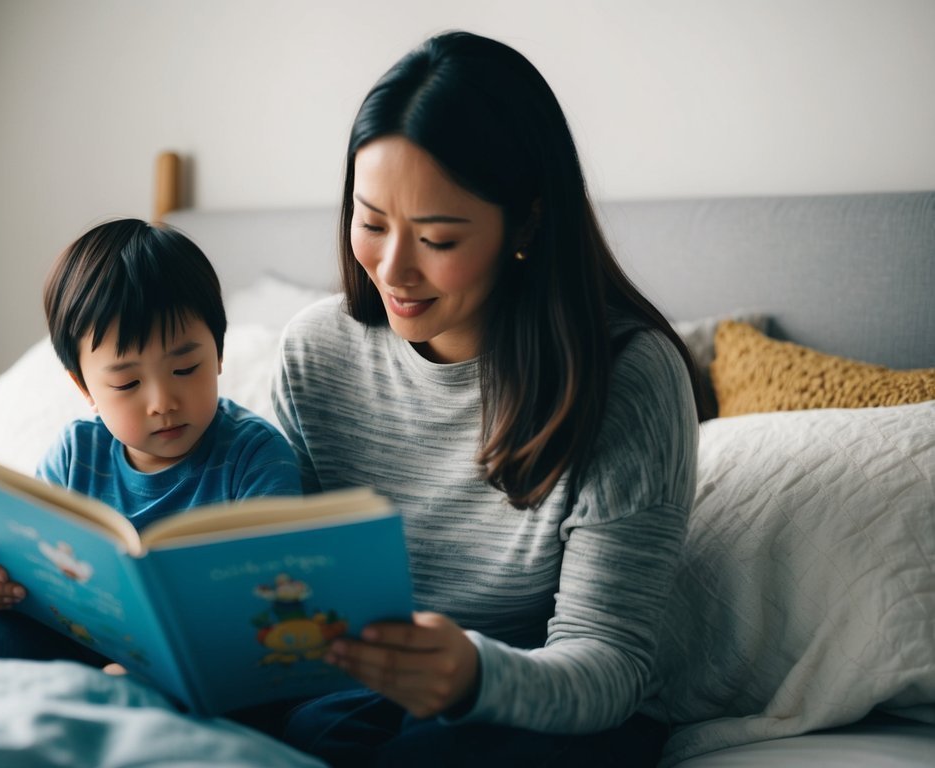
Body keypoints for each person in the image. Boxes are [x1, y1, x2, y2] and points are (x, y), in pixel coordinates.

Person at [270, 31, 704, 767]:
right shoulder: (316, 353)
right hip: (351, 696)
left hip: (542, 711)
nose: (392, 268)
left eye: (436, 238)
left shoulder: (626, 379)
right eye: (370, 223)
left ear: (526, 223)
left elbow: (610, 660)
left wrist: (474, 676)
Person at [0, 218, 302, 665]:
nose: (162, 402)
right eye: (126, 383)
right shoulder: (75, 455)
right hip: (90, 639)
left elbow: (273, 591)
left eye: (184, 370)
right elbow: (35, 571)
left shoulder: (256, 457)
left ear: (218, 353)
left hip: (208, 654)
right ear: (85, 389)